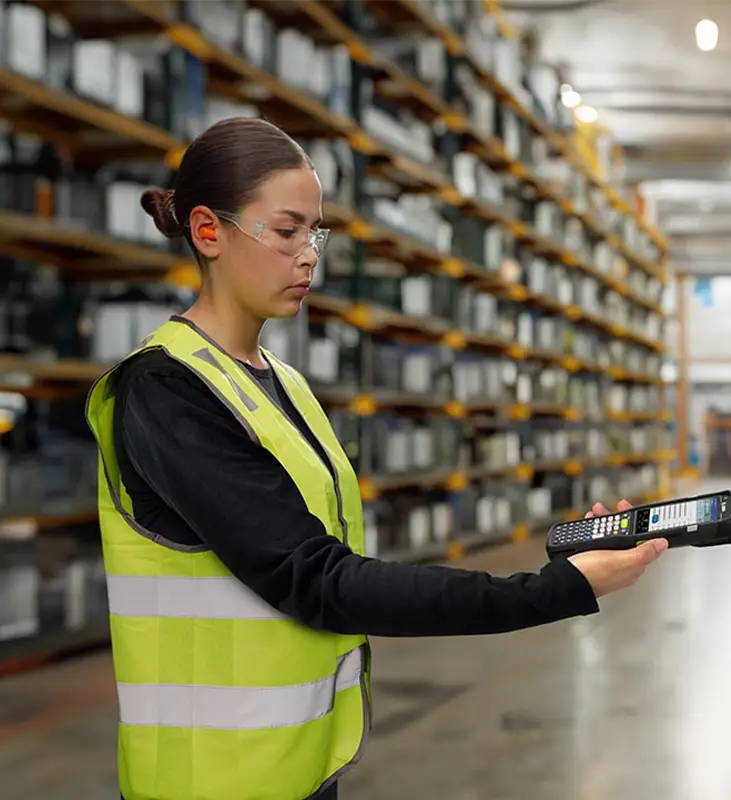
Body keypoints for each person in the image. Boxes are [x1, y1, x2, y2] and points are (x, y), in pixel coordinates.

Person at [85, 117, 669, 800]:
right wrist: (553, 590)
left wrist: (566, 556)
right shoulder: (166, 391)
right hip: (203, 782)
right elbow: (319, 578)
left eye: (315, 233)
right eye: (286, 231)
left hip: (297, 768)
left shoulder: (282, 383)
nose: (309, 255)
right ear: (209, 231)